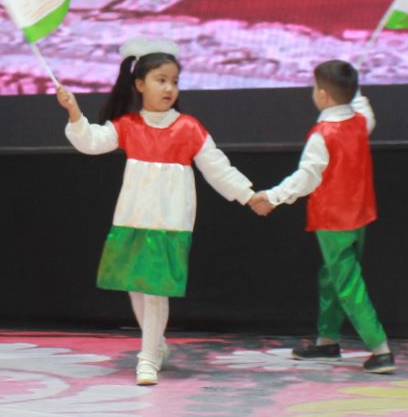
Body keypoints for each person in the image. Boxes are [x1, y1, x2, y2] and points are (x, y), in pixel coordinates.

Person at [55, 40, 257, 384]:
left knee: (155, 291)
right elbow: (90, 142)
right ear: (139, 84)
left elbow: (218, 168)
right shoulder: (128, 125)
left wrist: (249, 196)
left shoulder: (189, 128)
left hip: (170, 222)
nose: (169, 88)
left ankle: (147, 358)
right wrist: (74, 111)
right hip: (132, 218)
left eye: (174, 81)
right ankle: (157, 345)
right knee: (136, 287)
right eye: (161, 80)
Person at [248, 60, 392, 372]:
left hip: (333, 221)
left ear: (323, 95)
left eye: (315, 87)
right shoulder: (361, 122)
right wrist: (354, 87)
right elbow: (363, 105)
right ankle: (327, 340)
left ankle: (380, 349)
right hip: (358, 217)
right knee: (332, 278)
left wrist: (272, 197)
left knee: (347, 284)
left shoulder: (322, 135)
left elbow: (306, 178)